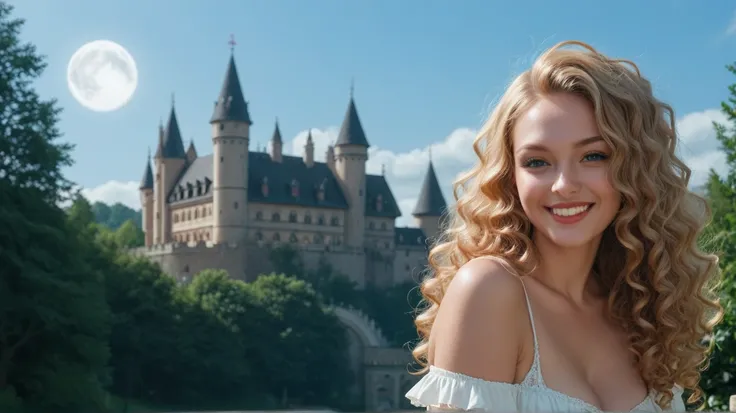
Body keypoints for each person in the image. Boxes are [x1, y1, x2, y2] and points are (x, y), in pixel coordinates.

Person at [404, 40, 723, 413]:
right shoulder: (490, 292)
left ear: (636, 170)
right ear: (511, 178)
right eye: (538, 162)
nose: (563, 184)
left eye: (593, 156)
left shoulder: (641, 309)